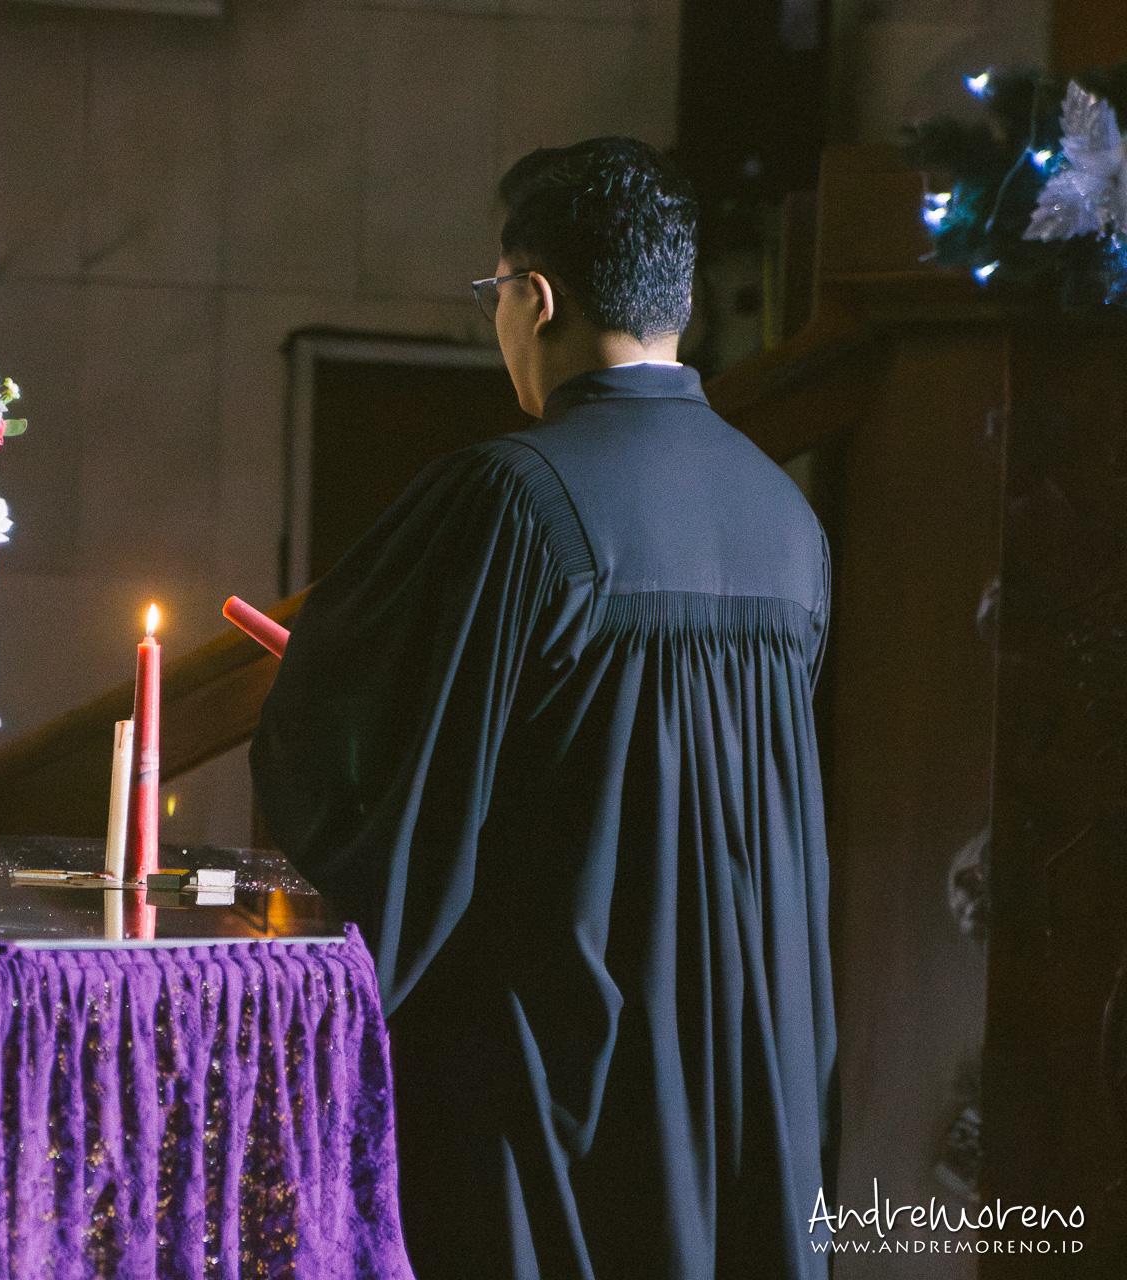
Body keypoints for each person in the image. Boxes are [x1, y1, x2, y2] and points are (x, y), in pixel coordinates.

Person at [250, 137, 836, 1279]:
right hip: (742, 1081)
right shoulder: (790, 524)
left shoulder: (512, 499)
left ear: (537, 296)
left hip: (560, 1094)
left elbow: (399, 789)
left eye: (496, 295)